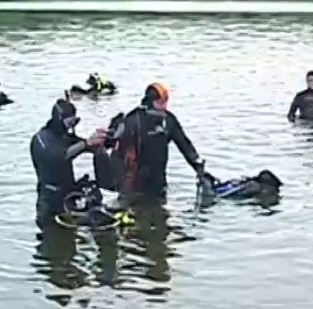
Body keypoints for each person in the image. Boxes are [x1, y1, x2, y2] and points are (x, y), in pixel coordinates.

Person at [112, 83, 205, 202]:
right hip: (134, 182)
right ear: (151, 101)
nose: (165, 106)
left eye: (166, 102)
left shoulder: (168, 120)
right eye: (161, 103)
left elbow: (184, 144)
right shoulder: (134, 119)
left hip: (159, 180)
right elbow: (116, 149)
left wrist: (198, 165)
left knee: (160, 214)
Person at [30, 95, 108, 228]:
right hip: (49, 198)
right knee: (52, 239)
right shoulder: (41, 139)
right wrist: (86, 143)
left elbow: (82, 145)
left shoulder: (64, 136)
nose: (71, 126)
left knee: (71, 241)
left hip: (68, 194)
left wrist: (103, 139)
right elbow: (58, 158)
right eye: (69, 122)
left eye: (74, 121)